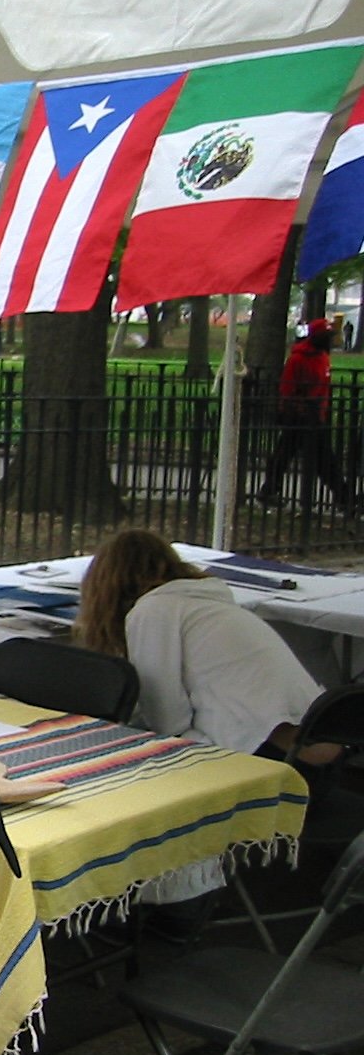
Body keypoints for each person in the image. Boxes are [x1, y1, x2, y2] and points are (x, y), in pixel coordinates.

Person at [76, 529, 335, 920]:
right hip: (318, 768)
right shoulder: (207, 603)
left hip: (278, 776)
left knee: (129, 774)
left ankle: (157, 907)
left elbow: (168, 720)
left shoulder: (154, 612)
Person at [256, 317, 350, 512]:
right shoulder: (298, 359)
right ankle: (344, 497)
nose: (330, 340)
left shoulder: (323, 357)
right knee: (293, 456)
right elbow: (287, 388)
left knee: (315, 457)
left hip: (317, 415)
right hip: (300, 416)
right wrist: (294, 409)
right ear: (316, 337)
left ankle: (269, 490)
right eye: (326, 336)